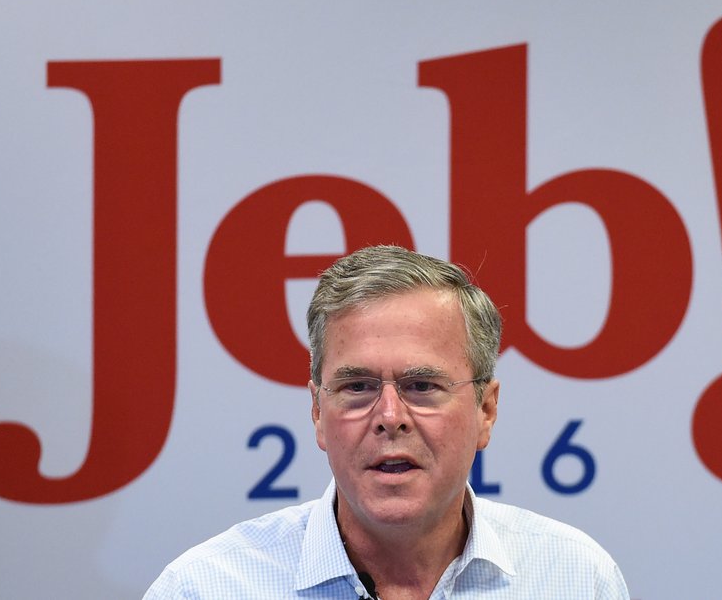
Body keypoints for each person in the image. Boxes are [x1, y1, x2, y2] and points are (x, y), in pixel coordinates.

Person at [144, 245, 629, 599]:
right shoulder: (206, 588)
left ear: (486, 410)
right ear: (317, 411)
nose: (390, 417)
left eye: (422, 386)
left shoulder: (576, 578)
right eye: (357, 387)